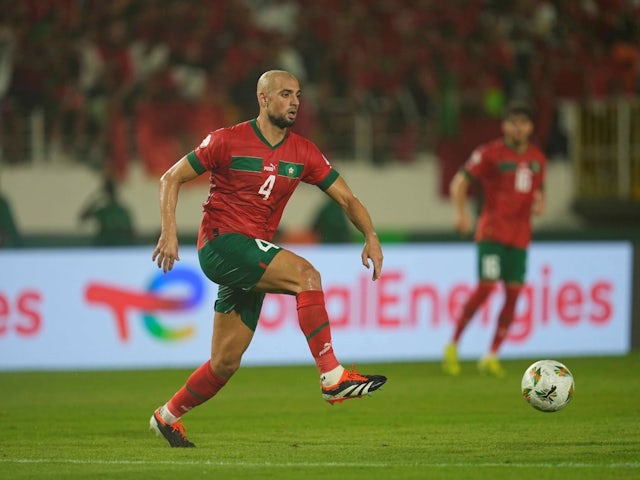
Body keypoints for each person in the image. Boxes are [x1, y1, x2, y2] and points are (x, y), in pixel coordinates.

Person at [149, 70, 386, 448]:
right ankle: (332, 377)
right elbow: (170, 178)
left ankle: (166, 416)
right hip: (222, 244)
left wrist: (371, 235)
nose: (295, 102)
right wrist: (169, 230)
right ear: (263, 98)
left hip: (250, 257)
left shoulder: (304, 152)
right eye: (286, 94)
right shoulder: (226, 141)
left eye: (298, 96)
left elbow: (346, 198)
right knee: (307, 275)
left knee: (224, 363)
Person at [442, 101, 546, 378]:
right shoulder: (490, 153)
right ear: (504, 126)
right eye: (513, 123)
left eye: (523, 123)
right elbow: (460, 181)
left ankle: (491, 355)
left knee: (513, 295)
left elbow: (538, 189)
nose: (518, 128)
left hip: (520, 236)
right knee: (486, 288)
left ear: (531, 127)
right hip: (492, 233)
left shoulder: (538, 158)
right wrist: (461, 213)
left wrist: (539, 201)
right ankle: (453, 345)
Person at [79, 177, 135, 246]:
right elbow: (83, 218)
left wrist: (95, 198)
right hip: (109, 248)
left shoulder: (113, 211)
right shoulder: (118, 210)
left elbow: (83, 217)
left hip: (111, 248)